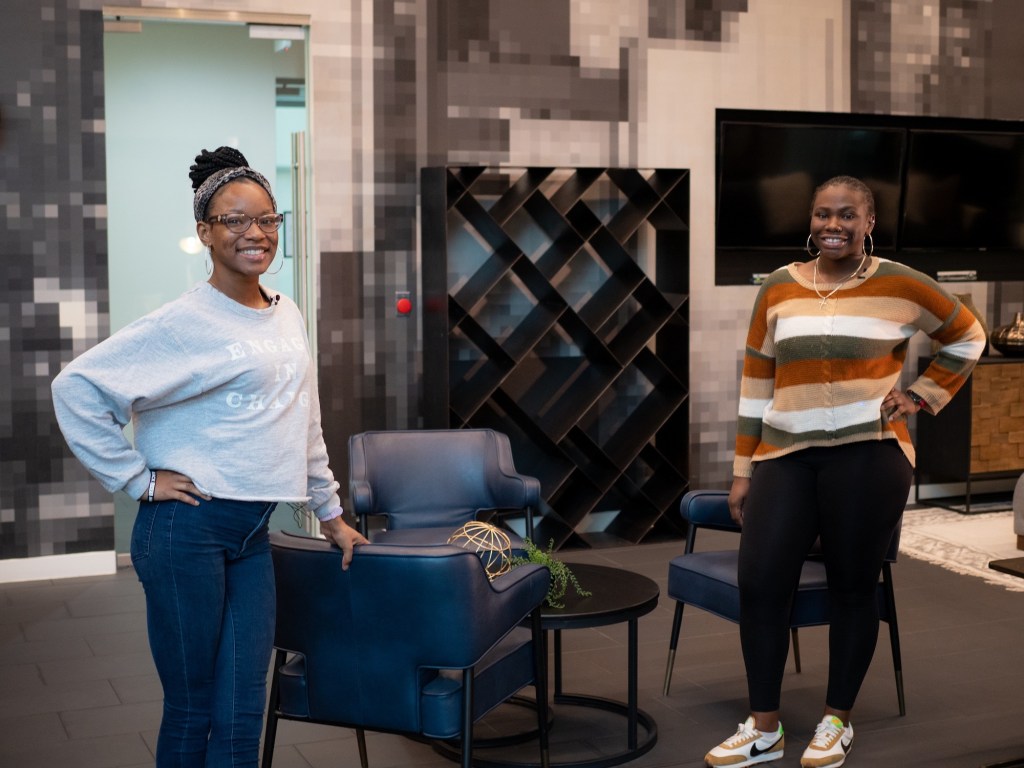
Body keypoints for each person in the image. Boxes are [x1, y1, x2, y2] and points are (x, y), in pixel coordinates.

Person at [51, 146, 368, 767]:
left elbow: (306, 421)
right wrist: (136, 478)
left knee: (243, 706)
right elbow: (76, 387)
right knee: (194, 706)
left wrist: (331, 514)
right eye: (235, 220)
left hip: (253, 532)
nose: (255, 233)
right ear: (205, 233)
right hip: (183, 533)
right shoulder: (183, 322)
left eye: (268, 220)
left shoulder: (287, 313)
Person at [705, 175, 986, 768]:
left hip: (869, 455)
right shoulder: (779, 289)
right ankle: (764, 728)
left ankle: (838, 720)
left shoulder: (902, 282)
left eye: (846, 216)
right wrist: (742, 470)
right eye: (823, 215)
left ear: (868, 223)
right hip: (784, 453)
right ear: (811, 222)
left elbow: (968, 335)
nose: (833, 225)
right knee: (759, 584)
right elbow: (757, 383)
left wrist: (920, 396)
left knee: (853, 587)